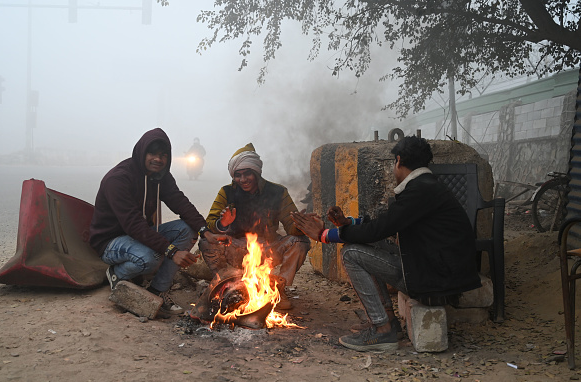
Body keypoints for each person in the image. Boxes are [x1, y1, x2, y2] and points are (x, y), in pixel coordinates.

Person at [291, 136, 481, 351]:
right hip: (435, 271)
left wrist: (324, 235)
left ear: (398, 161)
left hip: (435, 281)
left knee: (351, 254)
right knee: (363, 246)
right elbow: (386, 224)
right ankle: (389, 322)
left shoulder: (420, 191)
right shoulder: (427, 187)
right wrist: (348, 223)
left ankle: (382, 330)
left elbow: (379, 229)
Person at [89, 128, 228, 317]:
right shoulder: (119, 179)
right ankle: (117, 273)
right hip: (111, 242)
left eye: (163, 155)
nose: (158, 159)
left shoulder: (160, 177)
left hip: (139, 236)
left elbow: (180, 202)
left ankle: (157, 291)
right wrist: (171, 251)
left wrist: (205, 231)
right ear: (142, 153)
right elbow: (133, 224)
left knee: (187, 229)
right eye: (152, 153)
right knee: (151, 257)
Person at [198, 143, 310, 310]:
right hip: (235, 248)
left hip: (269, 249)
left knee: (300, 242)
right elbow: (210, 225)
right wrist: (223, 223)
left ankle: (277, 289)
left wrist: (302, 224)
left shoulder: (277, 192)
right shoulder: (226, 192)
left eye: (247, 174)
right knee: (206, 243)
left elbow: (291, 226)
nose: (243, 180)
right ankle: (226, 284)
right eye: (238, 175)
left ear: (257, 172)